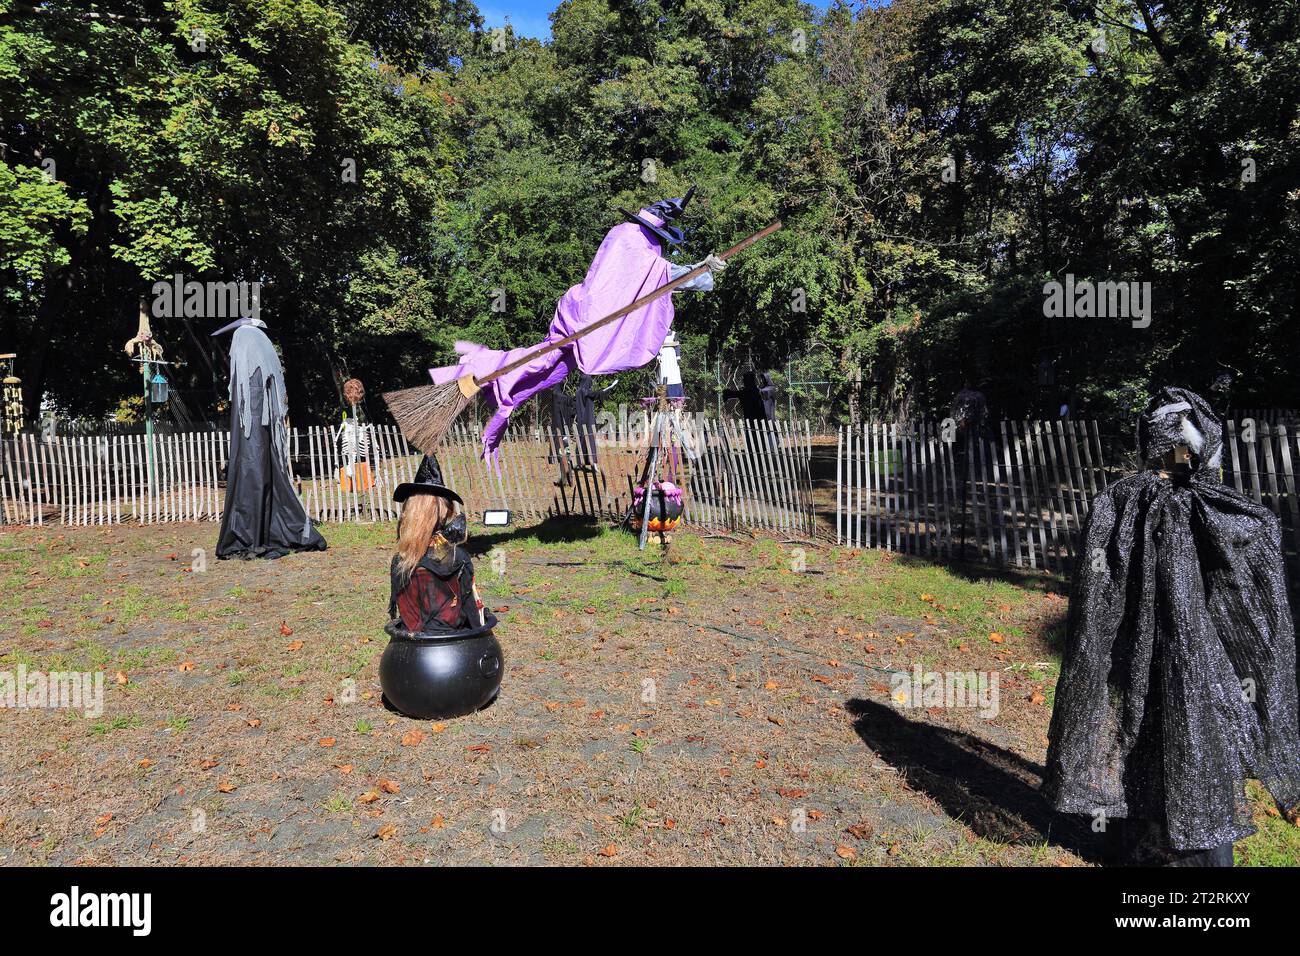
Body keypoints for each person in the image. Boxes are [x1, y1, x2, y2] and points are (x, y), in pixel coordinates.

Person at [1043, 387, 1300, 866]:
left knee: (1158, 740)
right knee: (1178, 748)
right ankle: (1175, 850)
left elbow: (1097, 603)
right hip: (1192, 668)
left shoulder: (1126, 503)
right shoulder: (1205, 511)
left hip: (1161, 665)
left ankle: (1167, 848)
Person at [429, 186, 724, 457]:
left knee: (544, 364)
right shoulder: (633, 240)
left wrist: (698, 270)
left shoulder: (628, 237)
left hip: (583, 311)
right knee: (541, 361)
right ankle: (480, 376)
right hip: (588, 316)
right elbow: (658, 276)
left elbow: (649, 279)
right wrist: (700, 270)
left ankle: (481, 380)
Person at [212, 317, 326, 559]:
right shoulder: (260, 351)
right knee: (261, 471)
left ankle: (250, 533)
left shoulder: (247, 346)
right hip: (258, 436)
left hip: (252, 436)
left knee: (253, 472)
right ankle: (267, 528)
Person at [388, 454, 484, 635]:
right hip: (452, 648)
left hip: (409, 649)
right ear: (444, 512)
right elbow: (473, 616)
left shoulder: (399, 560)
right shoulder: (457, 558)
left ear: (408, 511)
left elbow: (403, 614)